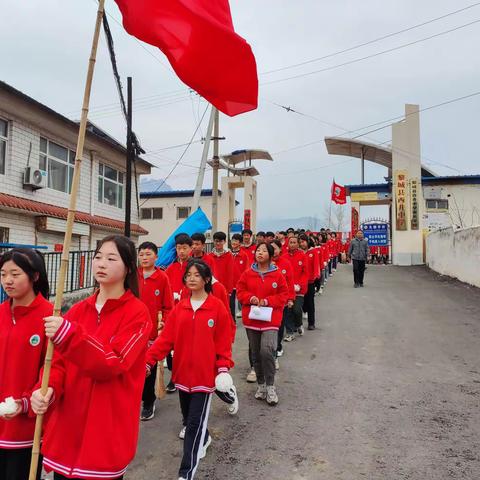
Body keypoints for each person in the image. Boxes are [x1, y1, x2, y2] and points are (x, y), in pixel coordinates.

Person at [31, 235, 150, 480]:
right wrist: (48, 388)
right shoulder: (77, 310)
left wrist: (70, 335)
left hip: (106, 431)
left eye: (110, 258)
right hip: (68, 428)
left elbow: (113, 362)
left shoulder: (138, 314)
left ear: (128, 267)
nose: (101, 264)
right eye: (97, 257)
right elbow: (57, 363)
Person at [146, 260, 234, 480]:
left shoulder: (217, 307)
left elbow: (223, 341)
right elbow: (165, 339)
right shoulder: (180, 308)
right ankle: (204, 438)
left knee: (193, 426)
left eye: (197, 275)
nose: (191, 278)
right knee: (188, 419)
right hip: (182, 376)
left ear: (206, 279)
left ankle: (186, 473)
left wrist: (223, 367)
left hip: (205, 378)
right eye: (188, 275)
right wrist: (148, 360)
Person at [0, 248, 52, 480]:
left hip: (26, 426)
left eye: (15, 274)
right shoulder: (0, 313)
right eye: (3, 274)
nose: (7, 281)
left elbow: (52, 370)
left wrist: (25, 402)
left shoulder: (50, 318)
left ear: (35, 276)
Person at [237, 243, 288, 405]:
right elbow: (240, 291)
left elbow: (283, 295)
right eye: (258, 250)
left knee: (267, 350)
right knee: (256, 354)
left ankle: (271, 385)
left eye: (264, 251)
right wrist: (250, 298)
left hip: (271, 319)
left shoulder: (278, 275)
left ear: (271, 255)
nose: (260, 253)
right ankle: (261, 385)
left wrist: (267, 301)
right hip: (252, 319)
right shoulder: (248, 273)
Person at [137, 241, 173, 421]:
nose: (144, 257)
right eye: (141, 254)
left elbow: (168, 306)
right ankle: (136, 397)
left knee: (147, 368)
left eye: (148, 254)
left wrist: (164, 323)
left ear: (156, 257)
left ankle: (148, 401)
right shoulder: (132, 276)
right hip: (133, 331)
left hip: (152, 331)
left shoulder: (162, 278)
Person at [165, 233, 193, 393]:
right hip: (172, 313)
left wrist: (183, 295)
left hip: (190, 312)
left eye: (184, 248)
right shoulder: (171, 268)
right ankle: (175, 375)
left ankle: (178, 377)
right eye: (178, 248)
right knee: (171, 348)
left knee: (186, 347)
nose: (181, 251)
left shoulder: (196, 268)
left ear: (190, 249)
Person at [271, 240, 295, 366]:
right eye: (271, 248)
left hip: (282, 303)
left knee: (279, 328)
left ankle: (276, 351)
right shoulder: (264, 263)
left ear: (280, 249)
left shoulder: (285, 263)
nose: (273, 251)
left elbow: (289, 282)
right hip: (267, 303)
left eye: (275, 248)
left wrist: (290, 298)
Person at [283, 235, 308, 342]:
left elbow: (305, 273)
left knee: (297, 310)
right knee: (288, 311)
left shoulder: (302, 256)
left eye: (294, 242)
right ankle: (290, 333)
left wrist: (299, 285)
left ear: (298, 244)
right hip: (287, 290)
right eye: (290, 242)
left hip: (299, 290)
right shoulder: (284, 257)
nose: (292, 244)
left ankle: (298, 324)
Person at [299, 234, 317, 330]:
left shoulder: (312, 252)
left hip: (310, 281)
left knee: (310, 302)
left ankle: (311, 323)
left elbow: (315, 266)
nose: (302, 244)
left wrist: (315, 278)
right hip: (300, 282)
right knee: (301, 302)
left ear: (307, 241)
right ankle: (298, 323)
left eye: (303, 241)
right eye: (300, 242)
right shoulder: (298, 253)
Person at [230, 233, 248, 319]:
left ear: (240, 243)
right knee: (231, 302)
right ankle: (232, 320)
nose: (234, 242)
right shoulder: (228, 254)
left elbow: (246, 270)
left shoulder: (244, 255)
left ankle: (246, 317)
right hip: (230, 283)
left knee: (243, 300)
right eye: (233, 240)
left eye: (236, 240)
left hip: (240, 283)